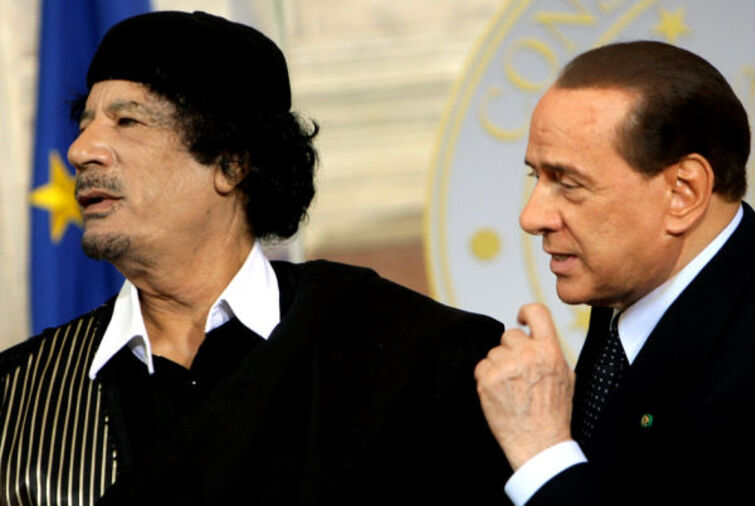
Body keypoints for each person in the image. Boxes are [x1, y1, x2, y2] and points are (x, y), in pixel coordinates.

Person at [0, 11, 511, 506]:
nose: (81, 150)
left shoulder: (408, 357)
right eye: (85, 123)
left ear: (232, 163)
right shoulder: (20, 393)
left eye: (127, 120)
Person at [474, 40, 755, 505]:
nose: (531, 217)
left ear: (683, 193)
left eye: (569, 183)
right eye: (537, 177)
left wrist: (541, 450)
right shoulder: (637, 286)